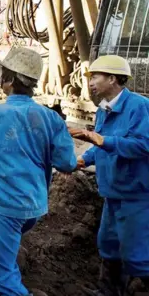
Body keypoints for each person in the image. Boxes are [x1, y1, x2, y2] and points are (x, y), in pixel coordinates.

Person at [0, 47, 77, 296]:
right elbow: (67, 163)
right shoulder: (52, 118)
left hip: (6, 202)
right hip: (35, 204)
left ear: (7, 81)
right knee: (7, 251)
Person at [70, 55, 149, 295]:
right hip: (112, 192)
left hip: (135, 196)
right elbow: (100, 145)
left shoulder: (139, 106)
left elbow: (142, 145)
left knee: (137, 254)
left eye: (95, 77)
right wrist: (84, 159)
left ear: (112, 79)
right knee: (109, 247)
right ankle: (108, 291)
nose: (90, 82)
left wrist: (101, 139)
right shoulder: (104, 109)